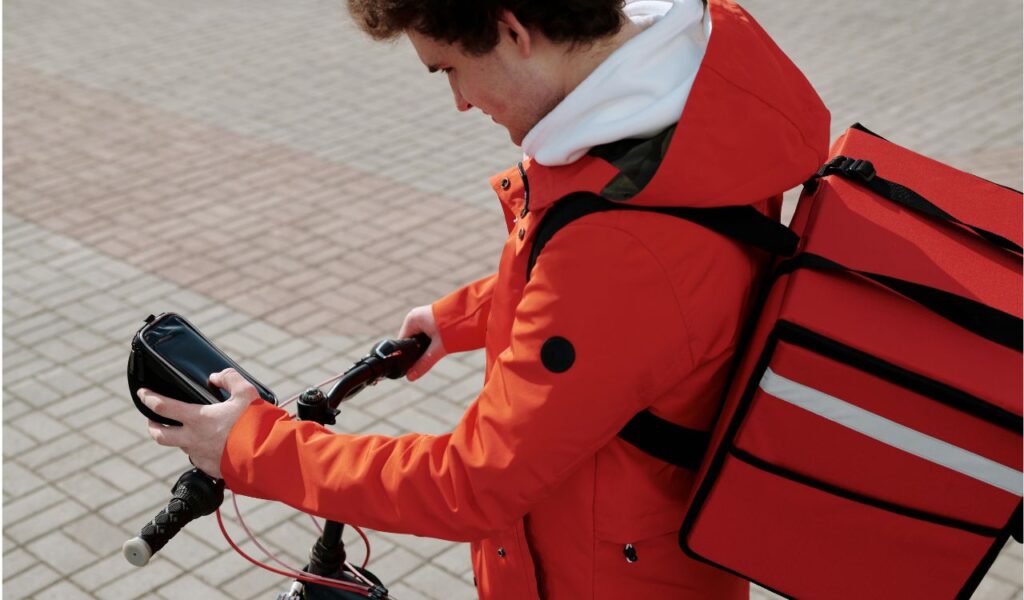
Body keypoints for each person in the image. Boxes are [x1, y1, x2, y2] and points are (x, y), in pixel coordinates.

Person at [139, 0, 830, 596]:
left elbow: (470, 483)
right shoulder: (683, 107)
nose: (461, 102)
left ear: (513, 30)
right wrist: (461, 318)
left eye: (448, 69)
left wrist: (252, 446)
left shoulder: (621, 242)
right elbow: (627, 309)